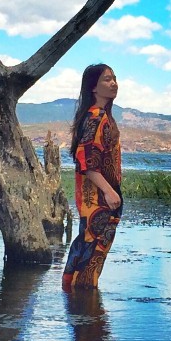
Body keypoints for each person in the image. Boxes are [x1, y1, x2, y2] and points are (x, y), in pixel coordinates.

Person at [62, 64, 122, 290]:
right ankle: (83, 310)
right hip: (97, 201)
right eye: (107, 79)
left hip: (100, 201)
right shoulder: (95, 118)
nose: (114, 83)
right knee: (90, 253)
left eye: (115, 78)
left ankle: (78, 308)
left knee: (88, 250)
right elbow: (86, 161)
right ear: (93, 87)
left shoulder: (103, 117)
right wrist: (109, 191)